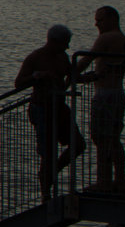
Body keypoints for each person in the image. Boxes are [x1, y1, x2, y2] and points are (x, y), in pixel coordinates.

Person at [14, 24, 83, 201]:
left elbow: (73, 74)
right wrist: (37, 76)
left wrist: (94, 76)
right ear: (53, 41)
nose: (67, 47)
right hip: (42, 108)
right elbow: (19, 83)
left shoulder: (63, 56)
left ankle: (53, 170)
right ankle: (46, 192)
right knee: (48, 152)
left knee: (78, 144)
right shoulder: (35, 57)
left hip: (59, 106)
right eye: (64, 43)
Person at [76, 6, 125, 190]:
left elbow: (84, 62)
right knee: (113, 138)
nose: (96, 24)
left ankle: (104, 180)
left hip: (105, 95)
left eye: (100, 19)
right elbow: (107, 67)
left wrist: (68, 74)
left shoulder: (106, 38)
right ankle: (118, 178)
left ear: (111, 19)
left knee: (100, 137)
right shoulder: (124, 39)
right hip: (117, 93)